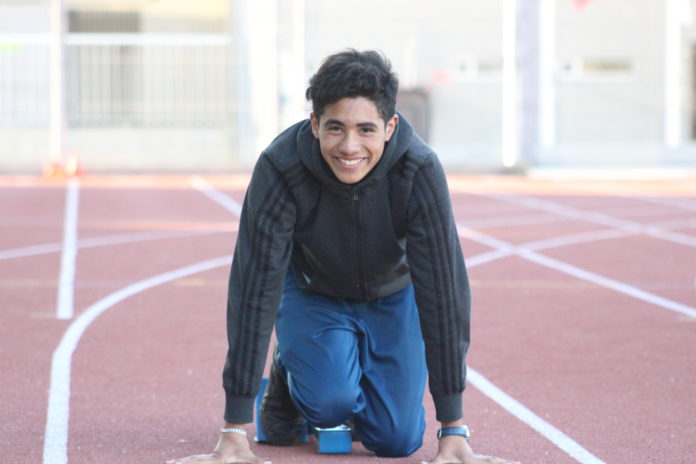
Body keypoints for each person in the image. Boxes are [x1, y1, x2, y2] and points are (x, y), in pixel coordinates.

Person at [167, 49, 519, 464]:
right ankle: (289, 371)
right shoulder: (281, 168)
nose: (350, 146)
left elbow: (444, 294)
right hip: (313, 288)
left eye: (366, 129)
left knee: (397, 440)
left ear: (390, 127)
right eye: (335, 128)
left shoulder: (418, 170)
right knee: (331, 403)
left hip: (393, 290)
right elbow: (254, 288)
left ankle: (326, 367)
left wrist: (453, 429)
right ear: (314, 124)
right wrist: (233, 428)